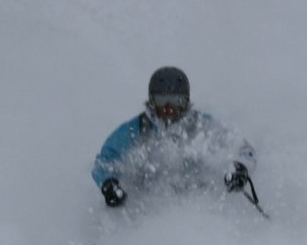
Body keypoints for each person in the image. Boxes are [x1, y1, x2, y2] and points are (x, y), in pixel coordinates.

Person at [92, 66, 256, 208]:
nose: (168, 107)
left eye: (175, 100)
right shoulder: (137, 129)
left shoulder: (201, 125)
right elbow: (105, 160)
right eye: (161, 100)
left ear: (186, 101)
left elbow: (243, 149)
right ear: (151, 100)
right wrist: (108, 184)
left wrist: (240, 169)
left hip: (198, 203)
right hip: (145, 205)